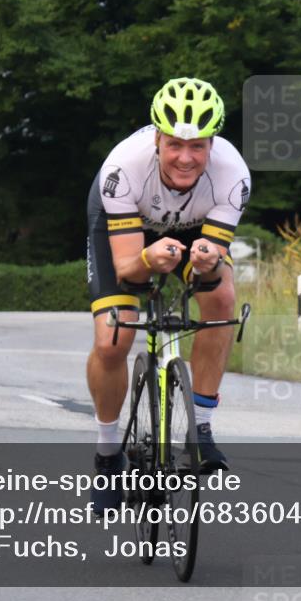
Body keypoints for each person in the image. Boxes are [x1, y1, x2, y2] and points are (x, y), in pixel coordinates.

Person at [85, 77, 251, 513]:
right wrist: (148, 258)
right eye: (175, 144)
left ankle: (202, 429)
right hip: (126, 227)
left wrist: (207, 262)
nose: (185, 157)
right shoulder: (122, 168)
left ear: (212, 144)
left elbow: (213, 258)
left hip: (190, 229)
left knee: (221, 299)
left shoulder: (233, 176)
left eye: (198, 146)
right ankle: (106, 455)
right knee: (113, 338)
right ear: (157, 137)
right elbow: (125, 268)